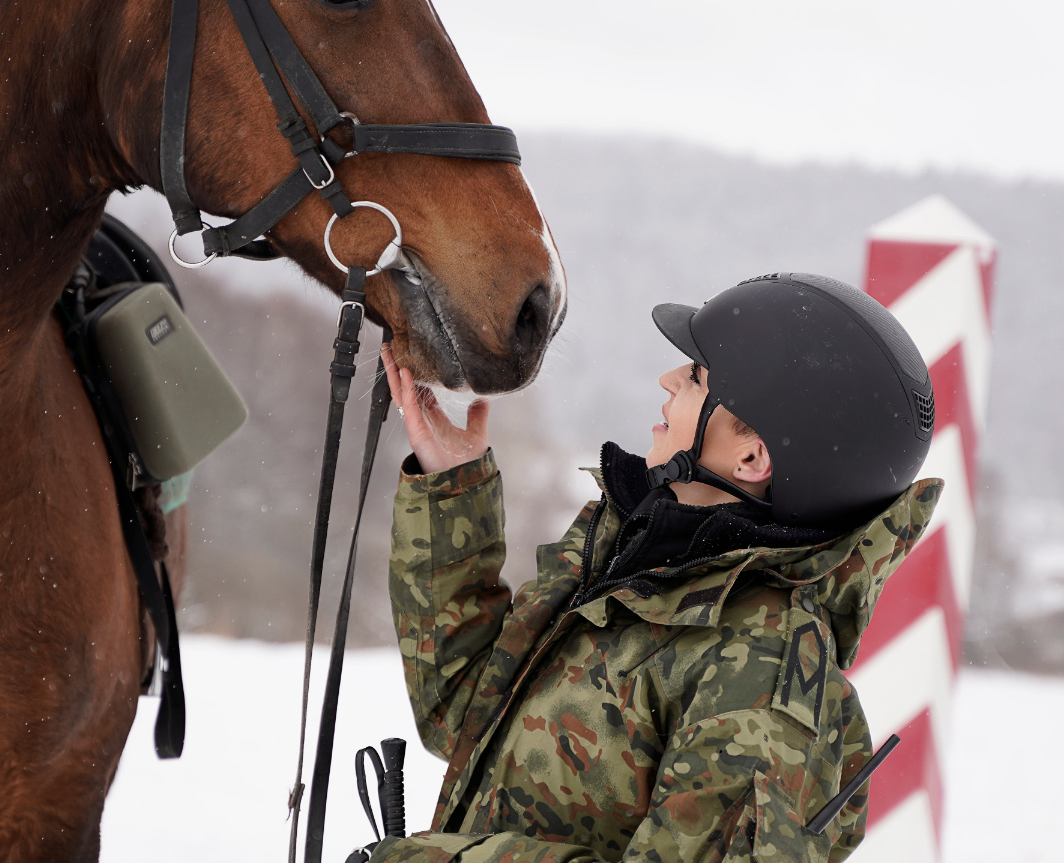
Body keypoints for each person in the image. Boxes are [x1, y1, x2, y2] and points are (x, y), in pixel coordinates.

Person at [376, 272, 942, 863]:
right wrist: (451, 488)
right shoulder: (634, 565)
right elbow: (465, 716)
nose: (668, 379)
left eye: (697, 378)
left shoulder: (761, 665)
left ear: (751, 456)